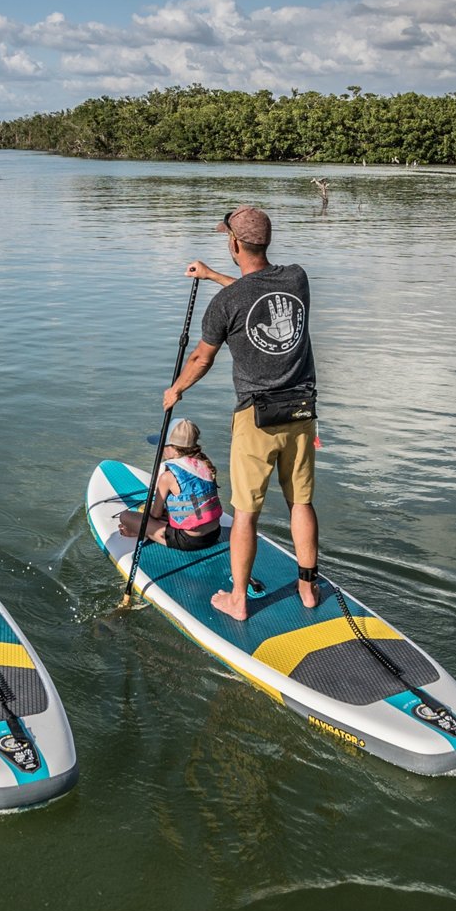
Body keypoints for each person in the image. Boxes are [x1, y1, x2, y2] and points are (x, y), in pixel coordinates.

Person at [163, 206, 321, 621]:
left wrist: (175, 390)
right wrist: (214, 275)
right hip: (302, 413)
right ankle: (307, 586)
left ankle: (238, 599)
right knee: (300, 503)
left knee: (246, 514)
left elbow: (201, 358)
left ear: (234, 243)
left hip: (257, 420)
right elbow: (256, 297)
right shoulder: (296, 278)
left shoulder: (225, 304)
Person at [118, 419, 222, 550]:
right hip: (214, 533)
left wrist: (143, 521)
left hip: (188, 540)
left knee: (126, 517)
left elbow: (155, 514)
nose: (161, 449)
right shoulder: (205, 465)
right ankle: (146, 531)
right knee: (168, 513)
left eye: (163, 445)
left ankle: (140, 532)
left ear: (173, 448)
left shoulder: (167, 476)